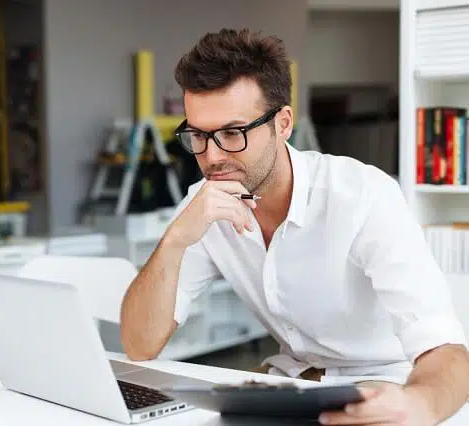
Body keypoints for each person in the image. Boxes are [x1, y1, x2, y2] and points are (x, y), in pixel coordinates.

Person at [119, 28, 469, 425]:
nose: (213, 156)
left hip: (384, 390)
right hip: (288, 387)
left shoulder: (364, 196)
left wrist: (420, 405)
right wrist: (175, 240)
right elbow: (139, 345)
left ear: (283, 123)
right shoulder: (204, 204)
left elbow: (448, 352)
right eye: (198, 135)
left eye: (233, 133)